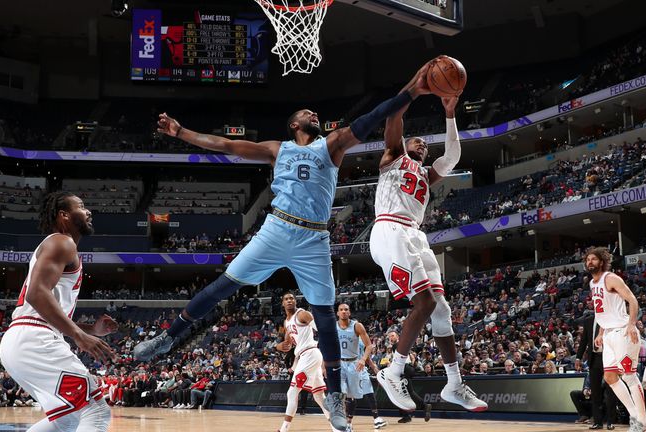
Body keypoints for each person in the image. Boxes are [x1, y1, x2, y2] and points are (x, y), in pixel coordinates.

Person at [134, 64, 436, 431]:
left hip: (314, 238)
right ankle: (167, 338)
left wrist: (413, 90)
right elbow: (226, 145)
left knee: (325, 318)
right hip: (276, 228)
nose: (314, 114)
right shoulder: (278, 149)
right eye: (306, 112)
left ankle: (337, 400)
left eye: (315, 112)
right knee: (222, 287)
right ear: (294, 124)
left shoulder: (333, 143)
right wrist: (180, 132)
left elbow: (374, 117)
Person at [370, 65, 486, 413]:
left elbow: (452, 157)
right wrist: (415, 88)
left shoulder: (426, 174)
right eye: (415, 140)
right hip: (389, 229)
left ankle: (454, 384)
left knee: (441, 309)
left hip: (415, 235)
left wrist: (450, 114)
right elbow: (394, 116)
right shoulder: (393, 158)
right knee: (423, 304)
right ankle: (393, 371)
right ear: (404, 146)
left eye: (424, 142)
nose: (421, 142)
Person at [0, 192, 116, 432]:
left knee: (68, 419)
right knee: (96, 411)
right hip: (34, 338)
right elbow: (36, 293)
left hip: (24, 339)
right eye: (81, 207)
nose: (88, 211)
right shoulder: (62, 242)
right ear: (64, 215)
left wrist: (90, 330)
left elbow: (45, 307)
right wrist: (78, 335)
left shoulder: (61, 247)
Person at [588, 247, 646, 432]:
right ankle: (637, 417)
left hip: (623, 331)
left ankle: (642, 421)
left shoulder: (611, 278)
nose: (589, 262)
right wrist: (601, 332)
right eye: (587, 260)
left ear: (601, 261)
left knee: (629, 376)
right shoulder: (593, 284)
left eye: (593, 259)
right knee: (609, 377)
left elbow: (632, 300)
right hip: (608, 333)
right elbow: (603, 311)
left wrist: (632, 324)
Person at [277, 293, 336, 432]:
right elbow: (288, 343)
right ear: (282, 304)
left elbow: (321, 329)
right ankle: (338, 427)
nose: (289, 300)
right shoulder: (286, 322)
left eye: (292, 298)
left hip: (310, 354)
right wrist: (279, 346)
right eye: (286, 299)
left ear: (295, 301)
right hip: (305, 356)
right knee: (319, 397)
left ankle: (283, 429)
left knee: (292, 393)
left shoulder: (302, 314)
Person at [336, 303, 387, 430]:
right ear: (337, 313)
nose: (343, 312)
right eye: (341, 310)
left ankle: (372, 419)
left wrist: (371, 365)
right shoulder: (334, 327)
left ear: (350, 312)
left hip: (357, 365)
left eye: (346, 309)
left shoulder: (357, 330)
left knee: (359, 394)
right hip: (340, 364)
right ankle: (344, 422)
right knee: (341, 394)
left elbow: (368, 349)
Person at [577, 312, 617, 429]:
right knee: (595, 393)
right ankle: (598, 422)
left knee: (610, 392)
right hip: (594, 359)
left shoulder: (611, 318)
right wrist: (578, 357)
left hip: (609, 358)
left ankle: (610, 422)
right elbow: (584, 341)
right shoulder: (589, 320)